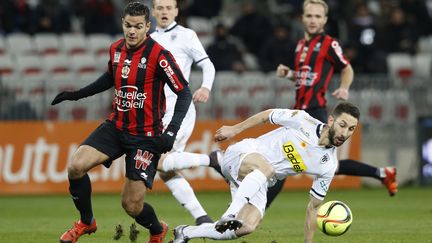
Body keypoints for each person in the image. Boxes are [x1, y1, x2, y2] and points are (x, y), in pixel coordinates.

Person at [52, 2, 192, 243]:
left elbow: (184, 93)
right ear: (123, 24)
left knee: (131, 206)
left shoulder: (160, 56)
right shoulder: (116, 49)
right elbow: (110, 77)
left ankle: (157, 229)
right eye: (128, 25)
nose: (132, 31)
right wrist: (76, 94)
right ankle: (87, 222)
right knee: (76, 166)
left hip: (145, 137)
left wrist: (171, 132)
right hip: (116, 127)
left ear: (148, 27)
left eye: (138, 26)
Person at [171, 102, 361, 243]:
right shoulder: (303, 120)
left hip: (258, 181)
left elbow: (314, 207)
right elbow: (268, 115)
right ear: (331, 121)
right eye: (343, 125)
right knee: (267, 169)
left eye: (351, 129)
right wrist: (234, 130)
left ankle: (186, 233)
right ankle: (229, 212)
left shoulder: (327, 166)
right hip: (243, 153)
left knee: (247, 227)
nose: (345, 133)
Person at [272, 0, 397, 208]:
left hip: (315, 112)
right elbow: (307, 77)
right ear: (302, 18)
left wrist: (345, 87)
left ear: (325, 20)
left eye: (318, 16)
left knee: (290, 159)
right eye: (309, 16)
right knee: (299, 161)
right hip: (298, 112)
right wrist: (290, 75)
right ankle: (383, 173)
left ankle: (253, 213)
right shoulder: (301, 45)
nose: (313, 20)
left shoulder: (329, 43)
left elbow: (347, 68)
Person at [150, 0, 216, 225]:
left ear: (176, 11)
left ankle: (212, 160)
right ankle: (202, 217)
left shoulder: (186, 35)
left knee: (159, 161)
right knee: (165, 169)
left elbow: (207, 65)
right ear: (153, 11)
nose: (164, 12)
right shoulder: (148, 39)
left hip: (179, 109)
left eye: (169, 8)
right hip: (156, 113)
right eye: (160, 8)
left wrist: (205, 87)